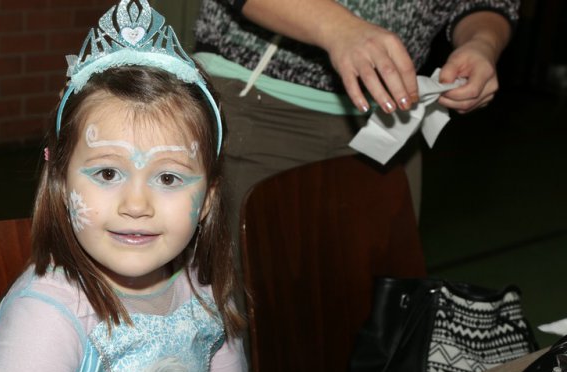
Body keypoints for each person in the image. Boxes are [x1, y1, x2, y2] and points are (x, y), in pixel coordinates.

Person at [0, 1, 259, 372]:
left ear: (208, 199)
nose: (136, 204)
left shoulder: (205, 290)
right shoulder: (44, 322)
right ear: (60, 180)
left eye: (168, 178)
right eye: (106, 173)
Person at [194, 0, 519, 228]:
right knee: (235, 297)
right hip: (257, 104)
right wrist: (338, 27)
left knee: (379, 300)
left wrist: (482, 42)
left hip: (393, 123)